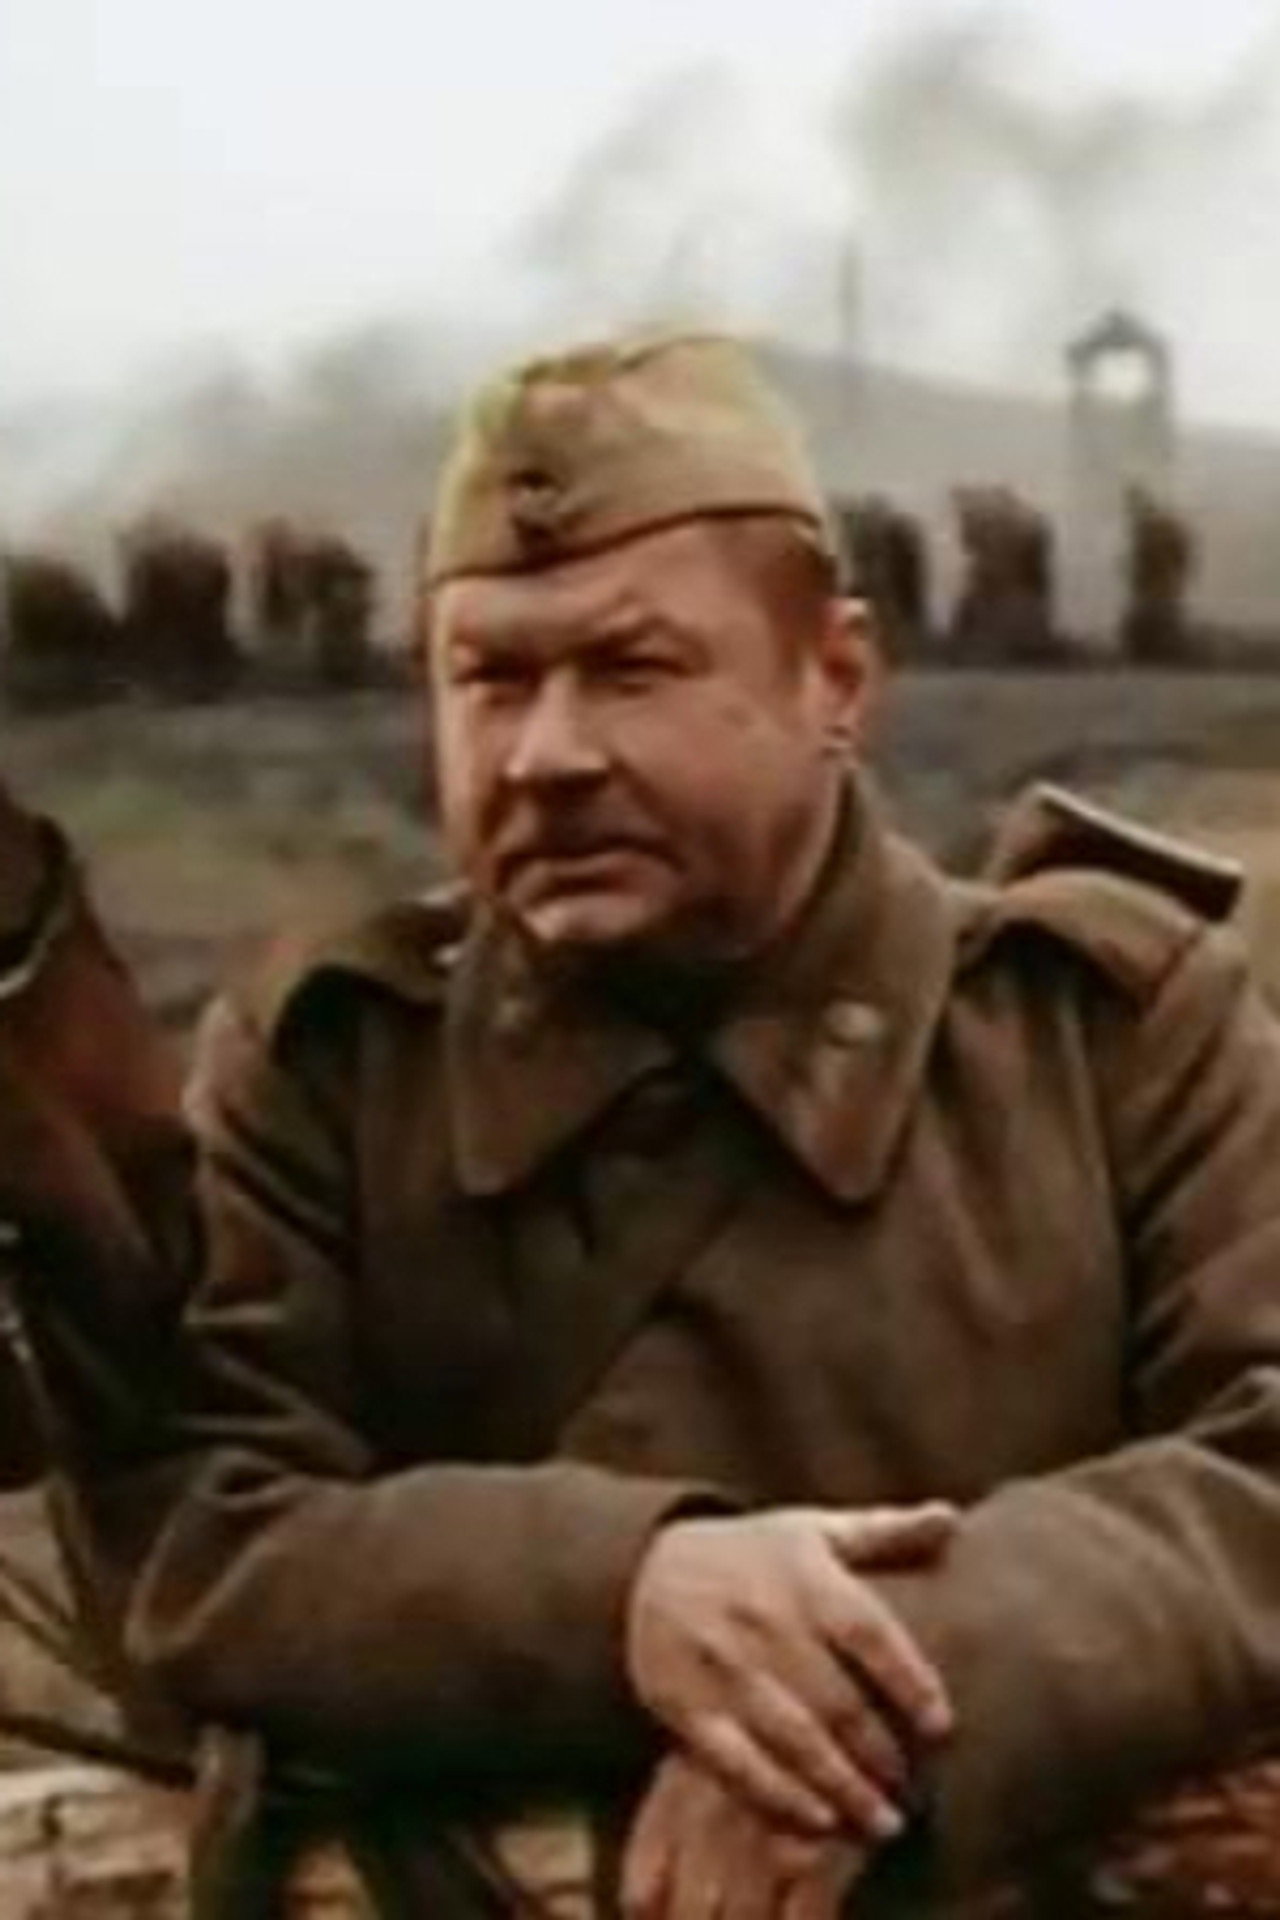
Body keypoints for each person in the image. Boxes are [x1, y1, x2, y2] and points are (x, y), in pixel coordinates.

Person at [102, 333, 1280, 1918]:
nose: (548, 755)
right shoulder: (331, 1067)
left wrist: (883, 1697)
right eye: (492, 680)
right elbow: (206, 1529)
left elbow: (1262, 1469)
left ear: (835, 681)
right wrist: (627, 1595)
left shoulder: (1110, 1032)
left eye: (633, 670)